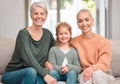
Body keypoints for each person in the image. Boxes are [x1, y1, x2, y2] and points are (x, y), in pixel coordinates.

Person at [1, 1, 56, 84]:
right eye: (36, 13)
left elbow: (55, 50)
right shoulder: (23, 34)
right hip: (13, 74)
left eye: (42, 13)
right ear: (31, 15)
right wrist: (45, 75)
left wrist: (47, 61)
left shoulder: (48, 34)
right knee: (31, 72)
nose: (39, 16)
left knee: (46, 75)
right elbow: (28, 59)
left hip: (36, 72)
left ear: (46, 16)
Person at [70, 9, 115, 84]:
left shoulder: (103, 41)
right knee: (85, 79)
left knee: (97, 74)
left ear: (92, 21)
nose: (84, 23)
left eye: (87, 20)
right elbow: (62, 50)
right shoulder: (73, 42)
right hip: (84, 73)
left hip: (103, 73)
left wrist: (91, 69)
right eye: (80, 21)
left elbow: (104, 63)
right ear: (77, 24)